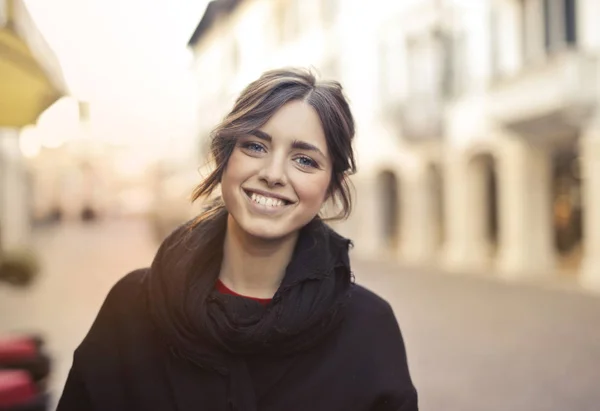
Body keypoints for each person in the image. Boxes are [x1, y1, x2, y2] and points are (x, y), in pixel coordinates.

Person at [56, 68, 418, 411]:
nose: (273, 174)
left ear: (329, 188)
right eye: (256, 147)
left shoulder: (367, 330)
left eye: (305, 160)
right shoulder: (131, 309)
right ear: (224, 157)